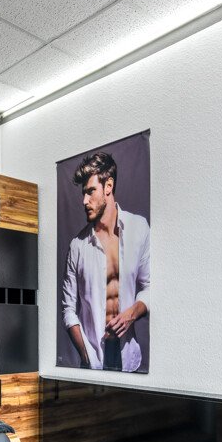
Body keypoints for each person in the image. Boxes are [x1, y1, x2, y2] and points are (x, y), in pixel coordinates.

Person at [61, 152, 151, 372]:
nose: (84, 201)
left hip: (128, 357)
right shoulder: (77, 246)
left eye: (90, 191)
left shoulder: (139, 228)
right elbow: (68, 309)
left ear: (108, 186)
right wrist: (86, 356)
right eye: (83, 193)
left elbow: (150, 287)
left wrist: (132, 314)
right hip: (93, 359)